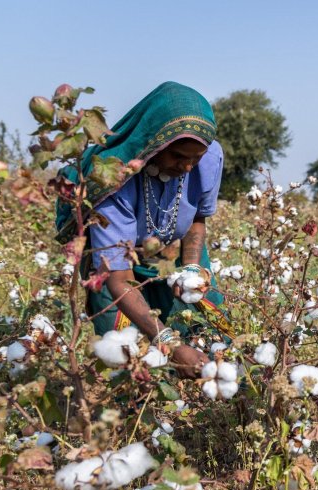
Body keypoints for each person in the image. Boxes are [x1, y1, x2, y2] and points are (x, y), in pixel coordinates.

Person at [56, 81, 229, 376]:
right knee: (126, 350)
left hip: (172, 251)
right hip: (116, 266)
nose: (187, 167)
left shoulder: (209, 159)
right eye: (178, 157)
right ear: (154, 144)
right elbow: (119, 279)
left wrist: (189, 269)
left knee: (205, 321)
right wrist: (168, 343)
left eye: (194, 158)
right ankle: (134, 411)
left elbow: (197, 219)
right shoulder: (113, 180)